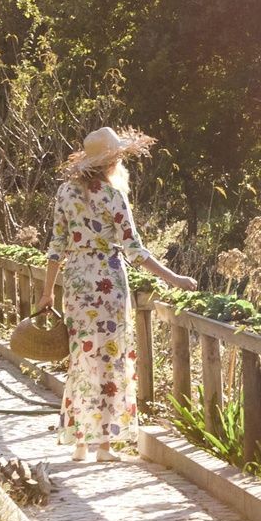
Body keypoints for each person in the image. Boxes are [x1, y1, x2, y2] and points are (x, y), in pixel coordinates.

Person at [41, 127, 195, 460]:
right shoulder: (113, 196)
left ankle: (81, 442)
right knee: (110, 361)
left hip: (77, 281)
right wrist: (174, 278)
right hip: (108, 281)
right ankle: (105, 447)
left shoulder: (66, 193)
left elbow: (56, 247)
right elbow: (135, 251)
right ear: (112, 161)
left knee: (82, 358)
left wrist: (46, 293)